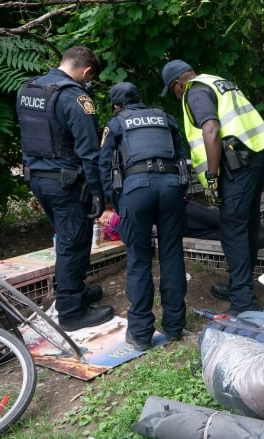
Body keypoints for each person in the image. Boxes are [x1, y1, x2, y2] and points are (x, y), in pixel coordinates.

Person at [161, 59, 264, 315]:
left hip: (237, 165)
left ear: (178, 83)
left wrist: (212, 177)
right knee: (246, 224)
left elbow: (211, 129)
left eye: (173, 91)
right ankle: (239, 287)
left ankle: (243, 302)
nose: (177, 96)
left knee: (232, 229)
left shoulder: (195, 90)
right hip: (254, 157)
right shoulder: (217, 81)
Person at [16, 46, 114, 332]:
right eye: (89, 78)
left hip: (37, 179)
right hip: (66, 184)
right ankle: (72, 311)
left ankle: (75, 290)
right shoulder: (75, 97)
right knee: (74, 244)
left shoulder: (29, 89)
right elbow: (89, 152)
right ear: (86, 72)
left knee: (67, 238)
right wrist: (100, 195)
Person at [99, 82, 190, 350]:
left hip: (136, 190)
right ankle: (175, 326)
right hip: (171, 187)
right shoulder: (165, 118)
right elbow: (182, 157)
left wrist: (114, 203)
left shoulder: (116, 123)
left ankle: (140, 333)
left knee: (138, 259)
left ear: (117, 105)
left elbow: (104, 165)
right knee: (172, 255)